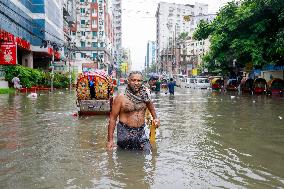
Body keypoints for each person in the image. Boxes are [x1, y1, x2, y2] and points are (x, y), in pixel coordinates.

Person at [107, 71, 160, 153]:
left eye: (139, 81)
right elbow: (113, 118)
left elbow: (151, 108)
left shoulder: (145, 96)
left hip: (141, 132)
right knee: (126, 158)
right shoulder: (120, 98)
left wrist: (155, 118)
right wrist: (110, 140)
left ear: (142, 82)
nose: (136, 83)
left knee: (147, 153)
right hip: (125, 133)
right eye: (133, 80)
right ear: (128, 81)